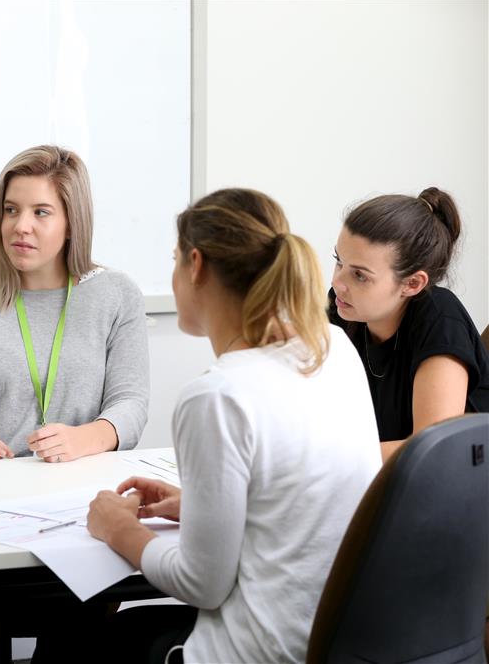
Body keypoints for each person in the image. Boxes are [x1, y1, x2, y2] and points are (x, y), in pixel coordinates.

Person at [85, 189, 382, 663]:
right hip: (337, 641)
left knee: (96, 642)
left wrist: (118, 528)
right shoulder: (334, 347)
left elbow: (200, 584)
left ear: (196, 265)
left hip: (259, 652)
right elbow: (304, 500)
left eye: (175, 259)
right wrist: (198, 506)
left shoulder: (217, 397)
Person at [0, 145, 149, 463]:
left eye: (41, 212)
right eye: (11, 210)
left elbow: (130, 404)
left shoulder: (117, 295)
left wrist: (81, 439)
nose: (21, 226)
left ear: (72, 222)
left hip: (84, 480)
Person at [329, 187, 489, 461]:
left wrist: (325, 461)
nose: (338, 283)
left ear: (412, 284)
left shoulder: (440, 318)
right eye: (338, 262)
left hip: (458, 487)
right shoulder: (343, 307)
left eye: (359, 275)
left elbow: (433, 452)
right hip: (384, 483)